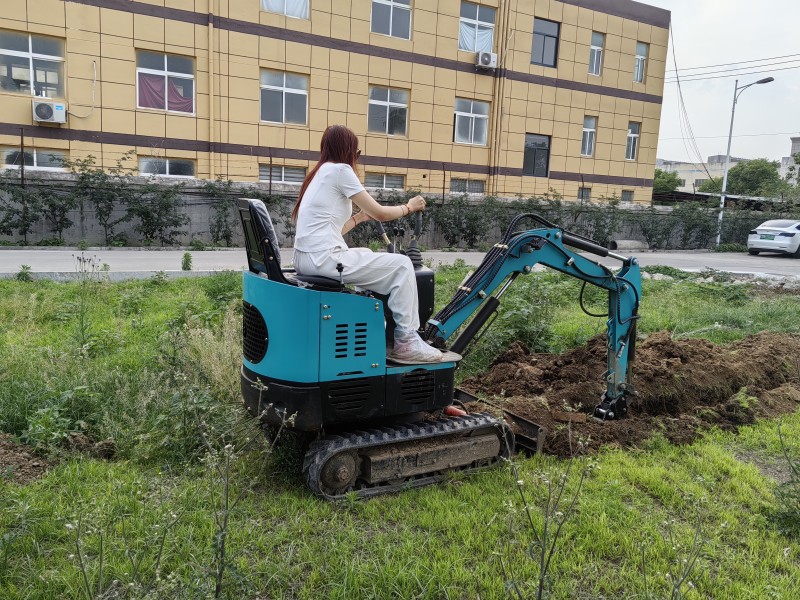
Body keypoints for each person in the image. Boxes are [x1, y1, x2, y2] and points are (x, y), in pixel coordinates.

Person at [292, 125, 442, 363]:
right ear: (349, 151)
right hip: (323, 259)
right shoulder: (341, 170)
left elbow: (334, 229)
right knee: (402, 265)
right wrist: (409, 207)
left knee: (364, 252)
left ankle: (373, 324)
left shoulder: (318, 174)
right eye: (357, 153)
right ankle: (406, 340)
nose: (356, 158)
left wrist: (360, 217)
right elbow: (381, 213)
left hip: (307, 259)